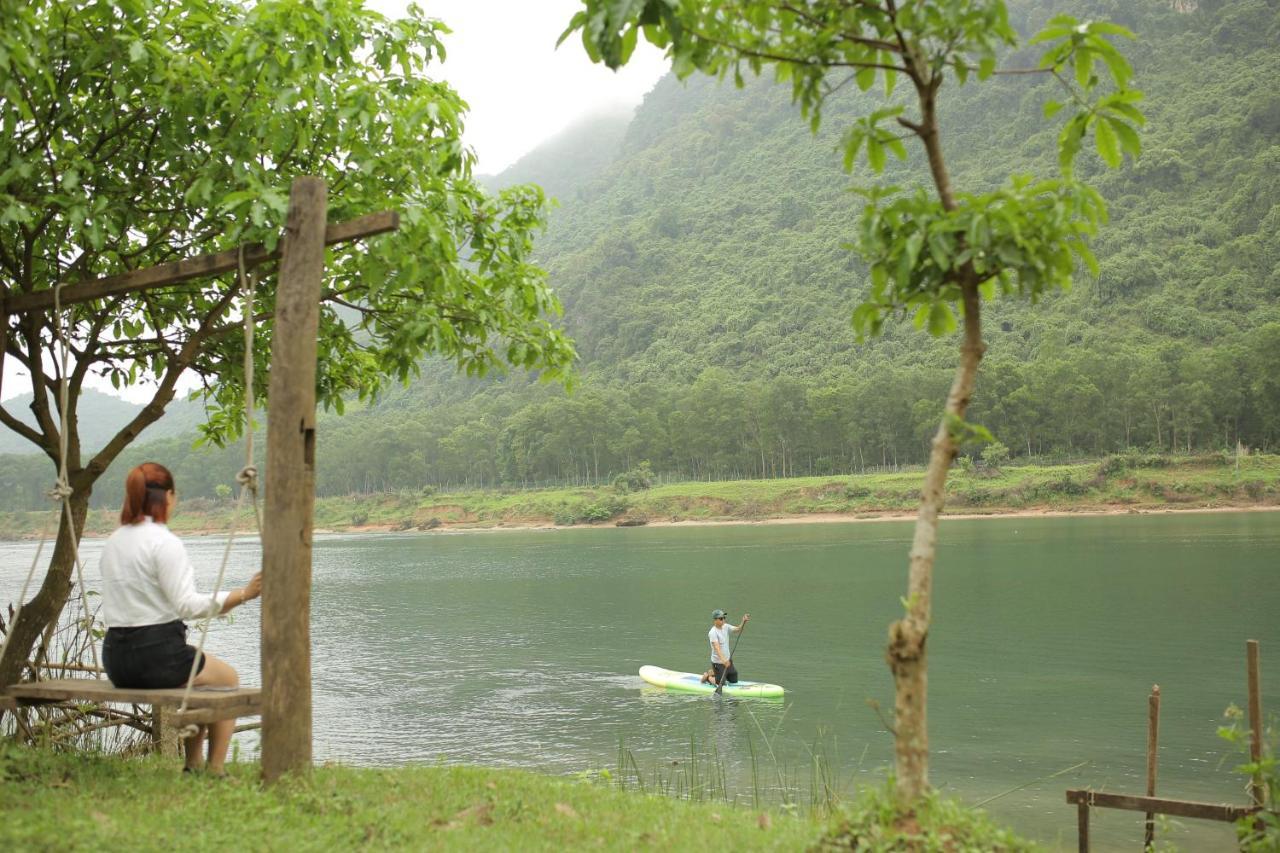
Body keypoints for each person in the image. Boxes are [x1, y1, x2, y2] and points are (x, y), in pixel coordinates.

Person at [99, 462, 262, 776]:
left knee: (199, 682)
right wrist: (243, 594)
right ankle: (213, 769)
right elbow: (187, 605)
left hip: (116, 660)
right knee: (227, 680)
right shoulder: (164, 542)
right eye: (176, 495)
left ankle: (193, 764)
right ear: (168, 497)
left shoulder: (114, 541)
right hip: (156, 657)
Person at [700, 608, 749, 686]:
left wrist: (743, 622)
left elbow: (738, 629)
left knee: (734, 680)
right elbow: (717, 648)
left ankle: (714, 672)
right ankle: (708, 677)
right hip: (718, 662)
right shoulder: (713, 632)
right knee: (720, 684)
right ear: (715, 620)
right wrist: (723, 661)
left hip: (728, 660)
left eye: (724, 618)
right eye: (721, 618)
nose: (723, 620)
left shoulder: (726, 626)